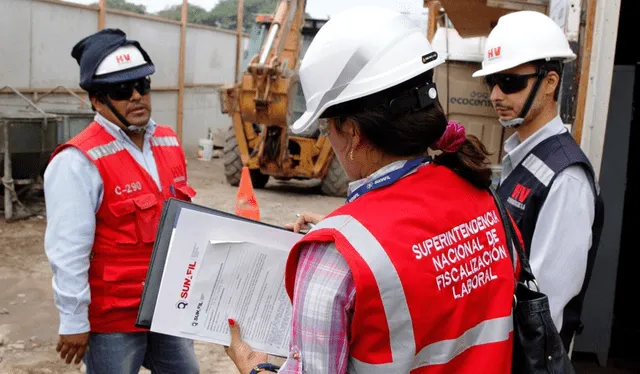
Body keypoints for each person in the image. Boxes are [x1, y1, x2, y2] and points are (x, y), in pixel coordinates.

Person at [224, 6, 519, 373]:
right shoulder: (489, 202)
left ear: (352, 131)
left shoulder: (335, 260)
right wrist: (348, 229)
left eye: (327, 125)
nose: (327, 137)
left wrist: (252, 366)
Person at [43, 28, 199, 373]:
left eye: (142, 85)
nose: (136, 96)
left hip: (167, 307)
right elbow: (67, 250)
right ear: (97, 100)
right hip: (113, 319)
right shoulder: (77, 162)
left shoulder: (169, 142)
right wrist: (73, 321)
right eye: (121, 90)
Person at [471, 10, 604, 352]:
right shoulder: (522, 156)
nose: (495, 96)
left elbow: (543, 307)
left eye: (510, 82)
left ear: (550, 83)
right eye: (492, 82)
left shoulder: (567, 179)